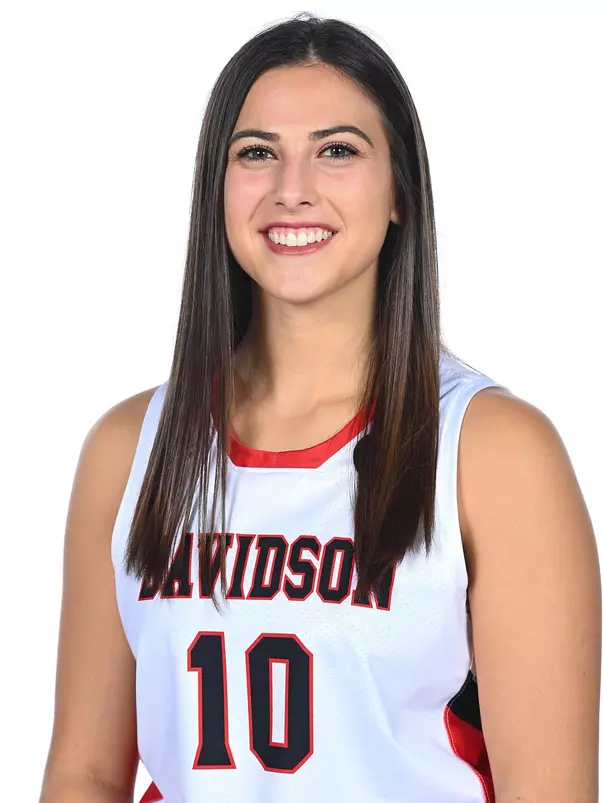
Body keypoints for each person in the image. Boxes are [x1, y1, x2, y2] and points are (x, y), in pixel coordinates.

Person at [39, 12, 601, 803]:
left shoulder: (492, 452)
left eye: (337, 150)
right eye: (256, 153)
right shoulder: (129, 447)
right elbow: (85, 771)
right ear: (218, 188)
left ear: (400, 190)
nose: (290, 188)